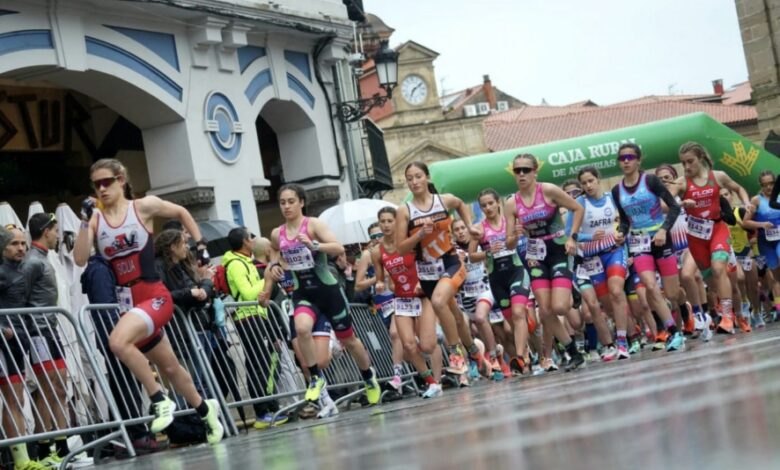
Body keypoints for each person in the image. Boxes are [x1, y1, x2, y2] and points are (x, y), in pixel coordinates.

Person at [73, 158, 223, 444]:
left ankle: (159, 399)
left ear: (120, 180)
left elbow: (180, 211)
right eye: (96, 185)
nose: (102, 189)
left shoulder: (142, 207)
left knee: (117, 343)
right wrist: (83, 220)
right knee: (170, 367)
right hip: (128, 303)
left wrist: (200, 245)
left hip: (154, 296)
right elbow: (80, 258)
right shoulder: (95, 218)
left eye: (107, 182)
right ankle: (206, 410)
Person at [261, 184, 381, 406]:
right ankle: (315, 378)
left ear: (302, 202)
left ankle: (368, 377)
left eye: (291, 201)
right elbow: (276, 252)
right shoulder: (278, 233)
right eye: (283, 202)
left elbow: (337, 248)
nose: (286, 206)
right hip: (303, 292)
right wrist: (276, 264)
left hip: (328, 291)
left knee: (350, 340)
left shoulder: (314, 225)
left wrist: (314, 244)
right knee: (302, 328)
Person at [395, 161, 476, 376]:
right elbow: (401, 249)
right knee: (456, 316)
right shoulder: (405, 211)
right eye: (410, 178)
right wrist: (419, 234)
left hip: (450, 262)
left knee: (439, 302)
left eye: (418, 176)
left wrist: (470, 226)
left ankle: (455, 352)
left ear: (427, 177)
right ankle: (475, 352)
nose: (414, 182)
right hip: (427, 272)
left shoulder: (443, 200)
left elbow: (460, 204)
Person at [505, 154, 586, 371]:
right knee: (546, 312)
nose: (521, 174)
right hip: (535, 256)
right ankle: (572, 352)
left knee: (560, 307)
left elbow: (578, 208)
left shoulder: (548, 190)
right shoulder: (511, 203)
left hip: (558, 248)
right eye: (517, 170)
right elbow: (510, 244)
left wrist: (573, 237)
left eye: (526, 170)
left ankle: (572, 288)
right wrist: (515, 234)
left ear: (534, 172)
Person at [611, 143, 685, 351]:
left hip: (661, 240)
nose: (626, 161)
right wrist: (621, 232)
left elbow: (675, 207)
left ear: (638, 160)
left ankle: (684, 310)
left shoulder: (650, 181)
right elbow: (625, 220)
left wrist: (663, 230)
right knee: (650, 286)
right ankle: (673, 332)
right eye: (622, 158)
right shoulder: (617, 190)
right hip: (639, 243)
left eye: (630, 157)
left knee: (671, 293)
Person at [675, 142, 754, 334]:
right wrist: (681, 202)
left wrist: (746, 203)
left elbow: (738, 187)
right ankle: (734, 314)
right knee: (714, 284)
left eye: (690, 161)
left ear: (701, 158)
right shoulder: (681, 182)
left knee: (723, 273)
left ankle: (729, 318)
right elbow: (664, 205)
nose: (686, 167)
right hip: (696, 238)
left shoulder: (718, 176)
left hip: (718, 229)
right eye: (683, 163)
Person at [23, 213, 80, 466]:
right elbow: (18, 295)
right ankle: (46, 451)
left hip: (50, 330)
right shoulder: (32, 261)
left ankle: (62, 446)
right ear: (46, 231)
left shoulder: (43, 258)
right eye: (56, 231)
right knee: (47, 389)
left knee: (59, 387)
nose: (58, 235)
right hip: (38, 332)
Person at [372, 206, 444, 398]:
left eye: (390, 221)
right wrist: (380, 283)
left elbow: (428, 262)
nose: (386, 225)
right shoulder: (377, 251)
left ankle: (438, 378)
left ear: (397, 222)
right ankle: (431, 383)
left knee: (428, 344)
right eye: (383, 222)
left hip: (422, 295)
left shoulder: (410, 242)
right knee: (409, 346)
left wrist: (422, 281)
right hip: (402, 299)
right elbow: (381, 278)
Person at [222, 227, 287, 428]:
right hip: (246, 318)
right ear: (244, 242)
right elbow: (249, 294)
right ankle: (262, 412)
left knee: (263, 362)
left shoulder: (245, 261)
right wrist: (266, 279)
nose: (253, 239)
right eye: (250, 237)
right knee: (258, 364)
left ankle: (269, 407)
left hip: (257, 316)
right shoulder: (235, 264)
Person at [469, 189, 532, 374]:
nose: (488, 208)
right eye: (483, 205)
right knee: (513, 322)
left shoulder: (509, 221)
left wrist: (518, 235)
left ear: (498, 203)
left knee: (519, 312)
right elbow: (472, 256)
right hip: (497, 278)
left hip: (516, 271)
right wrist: (488, 252)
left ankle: (520, 357)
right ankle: (526, 354)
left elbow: (522, 239)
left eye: (490, 203)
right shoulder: (479, 229)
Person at [0, 225, 48, 470]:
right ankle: (19, 460)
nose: (21, 248)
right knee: (11, 399)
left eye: (22, 243)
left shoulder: (21, 269)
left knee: (16, 399)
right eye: (14, 244)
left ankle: (22, 460)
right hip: (5, 342)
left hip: (18, 340)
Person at [573, 168, 631, 359]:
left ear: (598, 180)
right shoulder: (580, 203)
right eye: (584, 183)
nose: (588, 186)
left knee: (616, 291)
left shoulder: (611, 198)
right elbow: (569, 233)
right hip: (591, 258)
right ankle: (611, 343)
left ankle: (622, 341)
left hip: (613, 251)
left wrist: (624, 235)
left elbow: (626, 221)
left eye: (591, 181)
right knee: (604, 304)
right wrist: (588, 236)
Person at [355, 222, 406, 391]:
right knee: (400, 342)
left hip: (398, 297)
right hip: (380, 304)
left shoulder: (393, 249)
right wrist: (377, 279)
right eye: (373, 237)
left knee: (395, 333)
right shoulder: (367, 255)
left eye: (379, 236)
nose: (376, 240)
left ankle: (397, 375)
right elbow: (358, 285)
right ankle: (418, 371)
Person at [744, 170, 780, 320]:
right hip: (765, 242)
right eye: (765, 185)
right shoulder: (756, 200)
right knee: (776, 276)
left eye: (771, 183)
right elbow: (745, 222)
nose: (768, 187)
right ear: (761, 185)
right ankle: (778, 307)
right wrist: (761, 224)